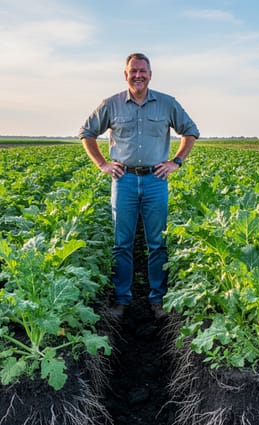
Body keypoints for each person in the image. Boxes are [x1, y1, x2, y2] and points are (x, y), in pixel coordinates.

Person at [79, 52, 199, 320]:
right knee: (122, 243)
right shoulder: (111, 104)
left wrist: (176, 161)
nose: (138, 75)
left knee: (157, 243)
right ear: (125, 74)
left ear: (150, 74)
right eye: (133, 71)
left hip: (156, 180)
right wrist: (102, 164)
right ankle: (122, 300)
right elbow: (86, 133)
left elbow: (191, 131)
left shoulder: (167, 104)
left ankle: (157, 300)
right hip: (124, 180)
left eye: (143, 71)